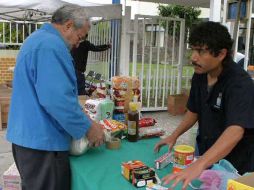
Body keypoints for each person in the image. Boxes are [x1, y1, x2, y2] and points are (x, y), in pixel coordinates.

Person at [6, 5, 105, 190]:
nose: (78, 44)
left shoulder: (38, 39)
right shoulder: (51, 46)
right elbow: (57, 100)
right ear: (68, 25)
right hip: (43, 144)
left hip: (29, 139)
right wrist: (88, 127)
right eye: (80, 37)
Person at [154, 21, 254, 189]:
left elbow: (236, 130)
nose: (193, 57)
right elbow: (194, 110)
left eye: (201, 51)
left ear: (221, 54)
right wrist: (174, 135)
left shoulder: (240, 84)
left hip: (236, 164)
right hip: (207, 151)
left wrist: (199, 164)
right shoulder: (200, 74)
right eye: (193, 49)